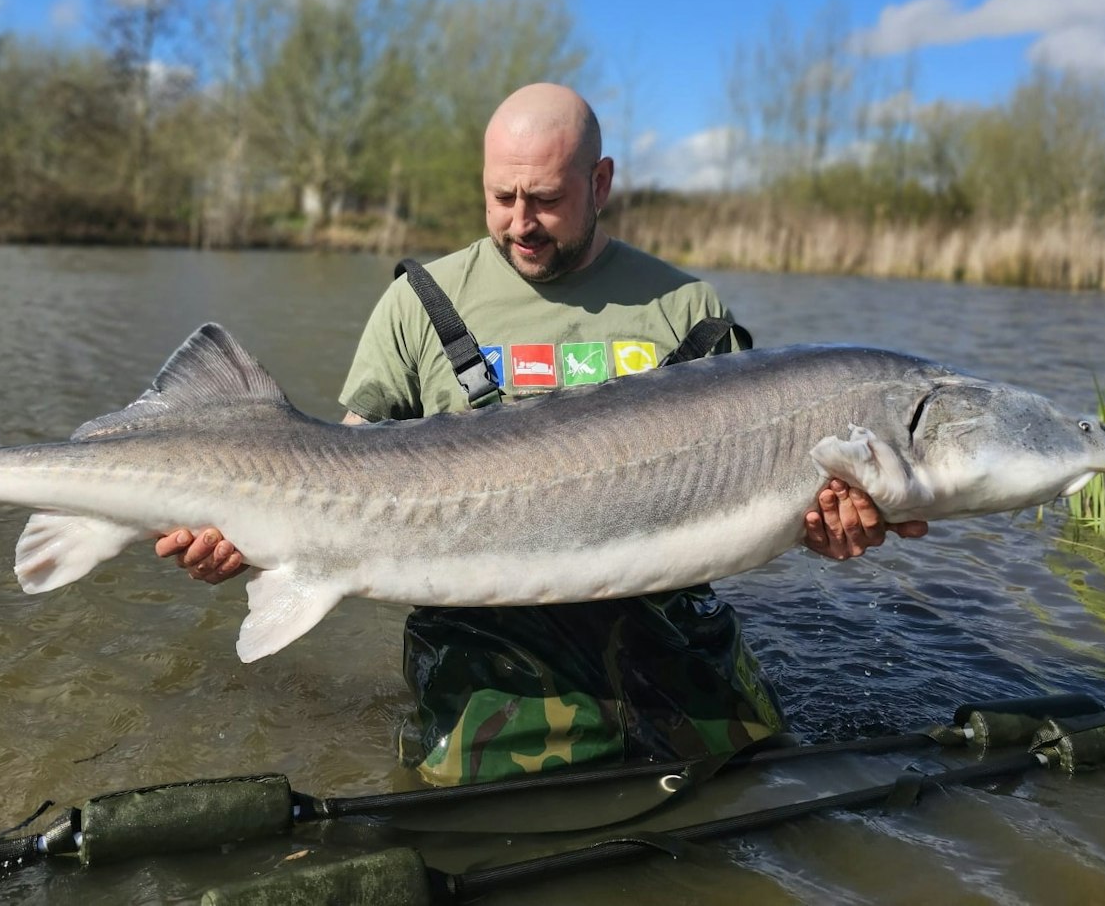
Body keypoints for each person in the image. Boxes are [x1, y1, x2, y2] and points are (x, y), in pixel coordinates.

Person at [156, 83, 927, 785]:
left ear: (600, 184)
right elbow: (338, 472)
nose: (520, 222)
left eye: (547, 199)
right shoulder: (419, 302)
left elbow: (769, 491)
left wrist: (828, 526)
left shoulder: (688, 308)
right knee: (498, 822)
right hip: (488, 653)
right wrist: (255, 534)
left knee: (753, 790)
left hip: (668, 637)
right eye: (502, 196)